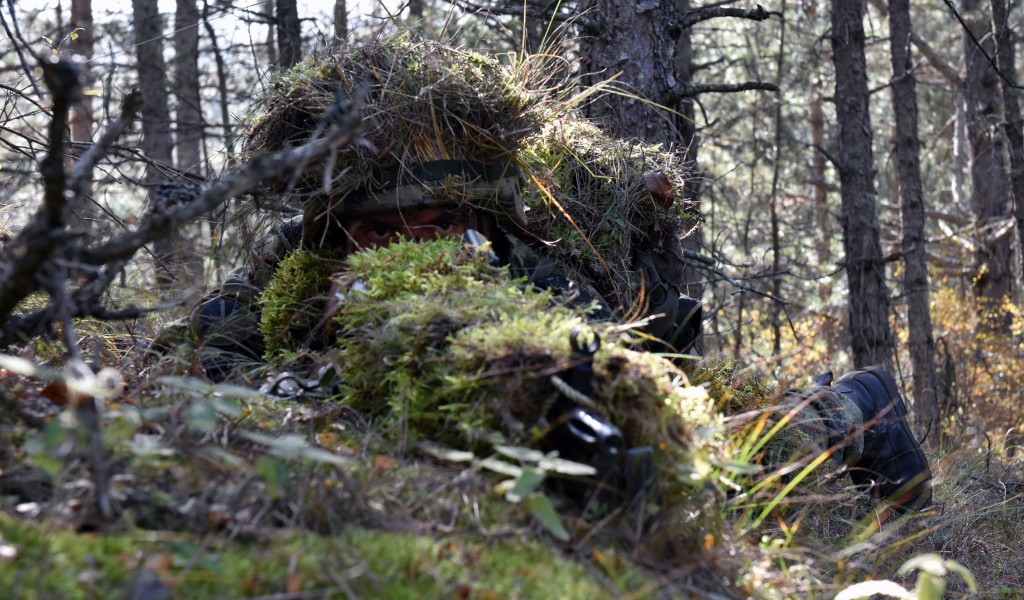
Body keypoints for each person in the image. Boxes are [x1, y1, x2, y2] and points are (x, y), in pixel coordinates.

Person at [182, 35, 931, 515]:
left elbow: (597, 369)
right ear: (340, 229)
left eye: (436, 227)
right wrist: (317, 341)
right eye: (380, 232)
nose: (409, 249)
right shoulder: (297, 264)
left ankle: (858, 402)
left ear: (471, 220)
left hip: (625, 388)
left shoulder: (524, 264)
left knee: (743, 471)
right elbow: (210, 360)